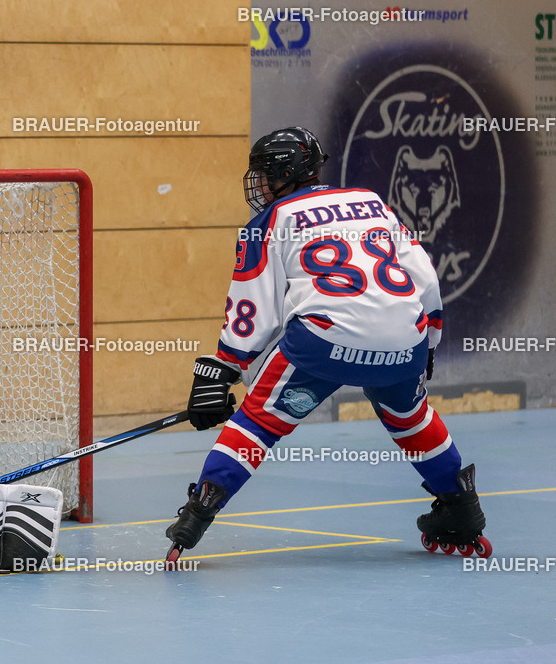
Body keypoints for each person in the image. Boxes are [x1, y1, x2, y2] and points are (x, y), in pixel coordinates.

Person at [164, 127, 490, 563]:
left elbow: (254, 310)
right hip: (403, 337)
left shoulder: (270, 221)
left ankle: (197, 514)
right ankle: (462, 511)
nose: (258, 184)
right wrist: (428, 341)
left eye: (264, 174)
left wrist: (223, 367)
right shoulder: (373, 203)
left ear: (287, 173)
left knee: (258, 423)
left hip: (323, 342)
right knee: (411, 417)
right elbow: (425, 277)